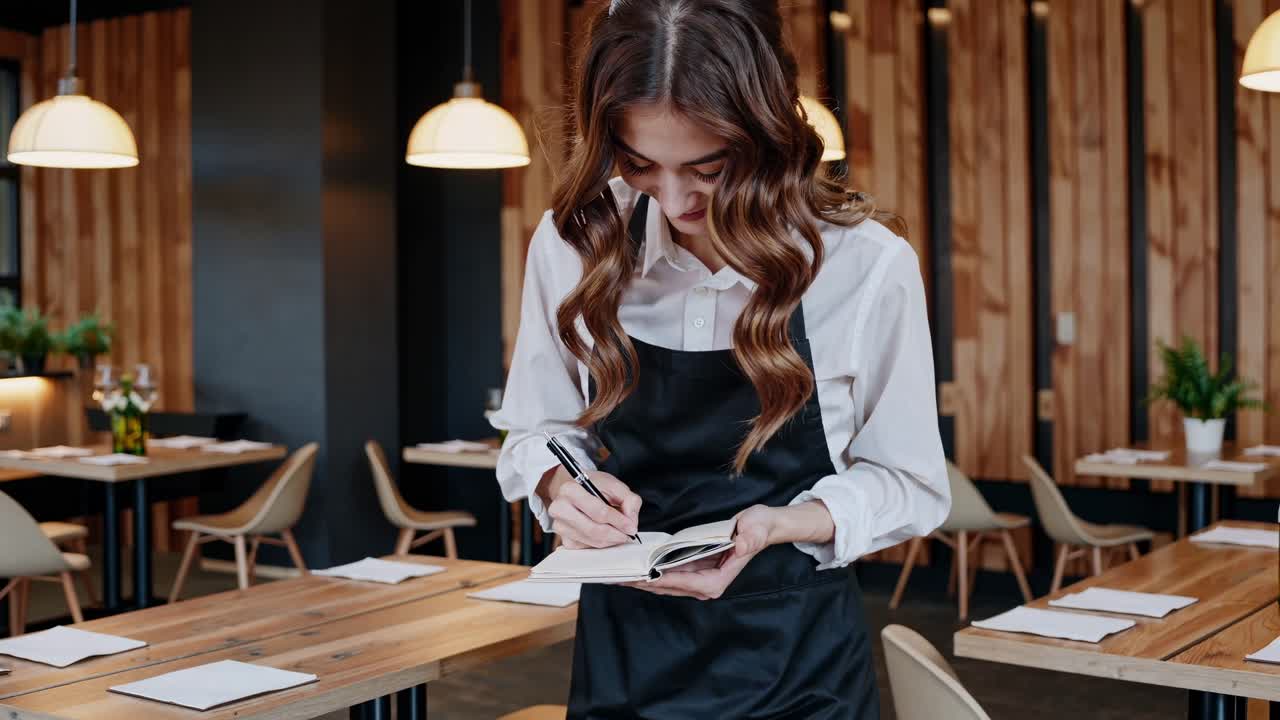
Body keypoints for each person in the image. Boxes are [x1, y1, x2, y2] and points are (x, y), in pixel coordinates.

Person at [491, 0, 949, 716]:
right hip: (625, 655)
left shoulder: (863, 265)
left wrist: (784, 523)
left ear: (767, 130)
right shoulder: (574, 242)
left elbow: (912, 483)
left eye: (707, 167)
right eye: (640, 164)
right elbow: (537, 431)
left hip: (798, 665)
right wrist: (560, 489)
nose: (673, 200)